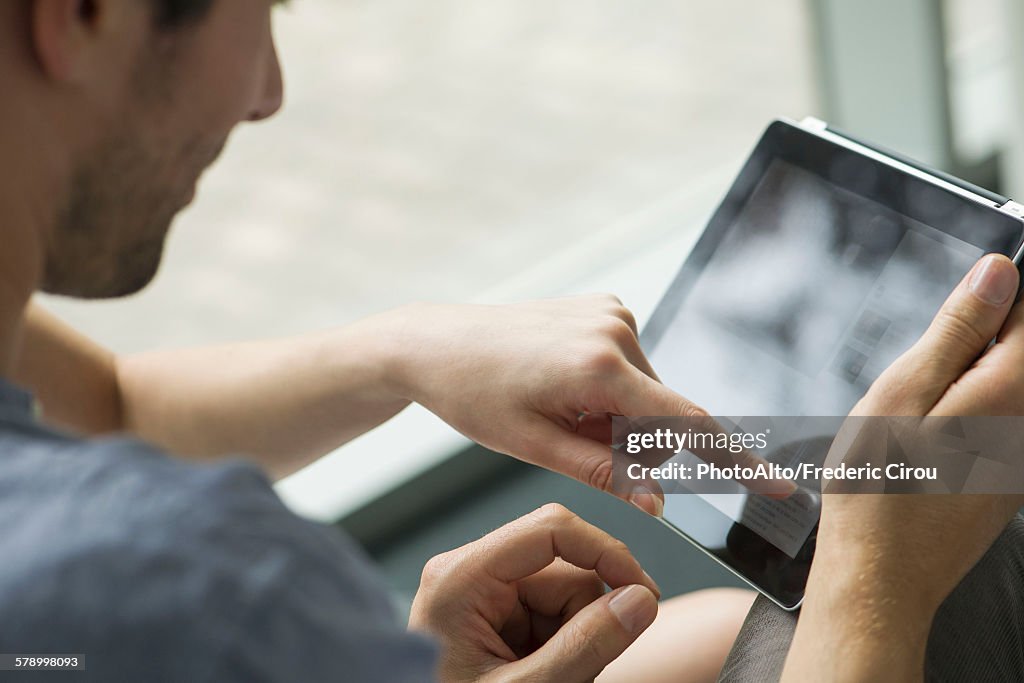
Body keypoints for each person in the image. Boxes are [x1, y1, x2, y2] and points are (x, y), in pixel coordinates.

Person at [2, 1, 1023, 681]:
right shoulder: (182, 583)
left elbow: (103, 412)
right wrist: (871, 575)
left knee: (711, 628)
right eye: (263, 10)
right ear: (84, 16)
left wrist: (403, 350)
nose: (267, 92)